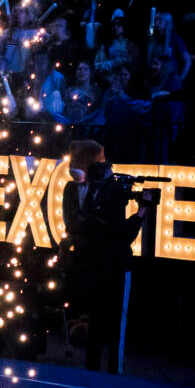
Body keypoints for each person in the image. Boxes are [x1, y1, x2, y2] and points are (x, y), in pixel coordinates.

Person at [66, 141, 151, 373]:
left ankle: (101, 372)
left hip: (98, 265)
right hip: (108, 266)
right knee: (110, 326)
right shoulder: (96, 191)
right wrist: (142, 212)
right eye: (102, 160)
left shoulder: (103, 190)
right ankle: (109, 374)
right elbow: (122, 236)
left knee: (102, 324)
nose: (107, 164)